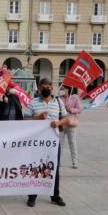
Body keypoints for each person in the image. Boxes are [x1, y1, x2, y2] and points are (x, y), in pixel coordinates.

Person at [24, 78, 74, 207]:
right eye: (45, 86)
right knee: (35, 167)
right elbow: (25, 119)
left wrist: (58, 123)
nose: (47, 88)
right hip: (37, 142)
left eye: (50, 86)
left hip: (53, 141)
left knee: (54, 168)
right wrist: (38, 118)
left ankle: (55, 195)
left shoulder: (58, 102)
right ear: (40, 88)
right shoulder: (33, 102)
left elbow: (67, 118)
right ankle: (32, 196)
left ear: (52, 88)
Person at [61, 85, 81, 168]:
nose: (62, 90)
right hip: (61, 122)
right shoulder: (59, 98)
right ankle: (59, 162)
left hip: (71, 122)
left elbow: (79, 109)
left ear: (68, 89)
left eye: (63, 89)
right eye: (61, 89)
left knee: (72, 142)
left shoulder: (74, 97)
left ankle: (74, 162)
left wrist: (71, 109)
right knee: (60, 143)